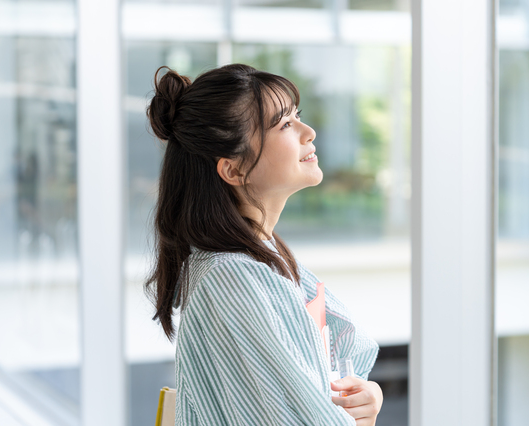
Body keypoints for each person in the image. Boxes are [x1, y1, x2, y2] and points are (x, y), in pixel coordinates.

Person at [145, 63, 382, 425]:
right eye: (285, 124)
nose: (308, 132)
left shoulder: (261, 256)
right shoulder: (232, 278)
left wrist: (366, 396)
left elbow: (328, 373)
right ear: (234, 170)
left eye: (297, 116)